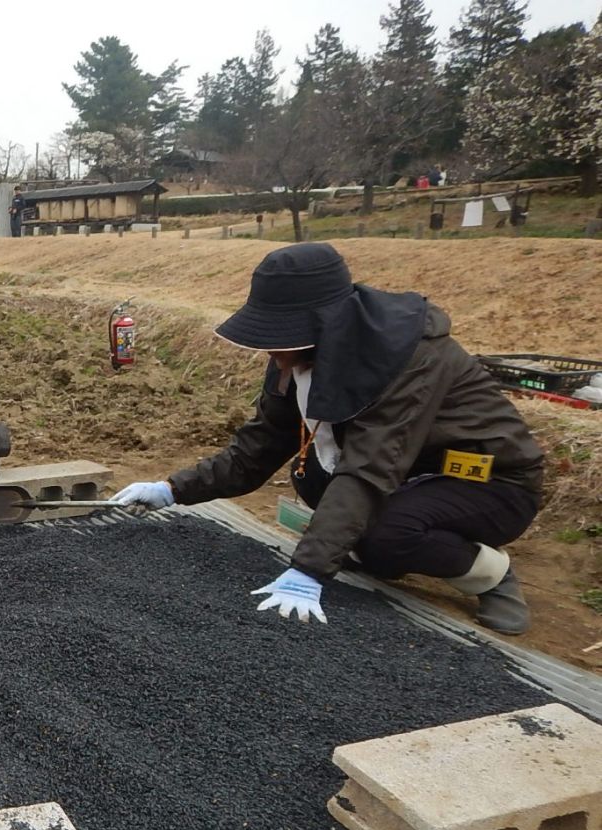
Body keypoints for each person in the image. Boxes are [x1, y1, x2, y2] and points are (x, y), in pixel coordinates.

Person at [113, 243, 543, 634]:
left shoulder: (410, 359)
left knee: (383, 535)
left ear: (325, 326)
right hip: (408, 473)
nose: (271, 351)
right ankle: (370, 545)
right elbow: (256, 450)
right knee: (312, 475)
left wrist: (310, 571)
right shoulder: (294, 358)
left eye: (278, 335)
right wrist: (172, 489)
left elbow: (369, 468)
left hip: (485, 482)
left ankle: (490, 573)